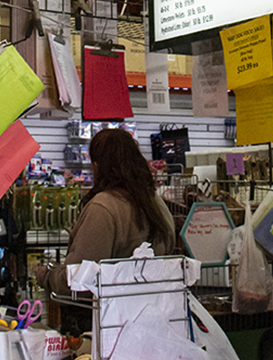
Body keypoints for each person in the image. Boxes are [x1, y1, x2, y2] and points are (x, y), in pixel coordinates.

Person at [34, 128, 177, 302]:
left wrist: (47, 276)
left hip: (109, 320)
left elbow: (80, 280)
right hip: (156, 313)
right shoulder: (156, 202)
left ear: (97, 166)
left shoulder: (103, 207)